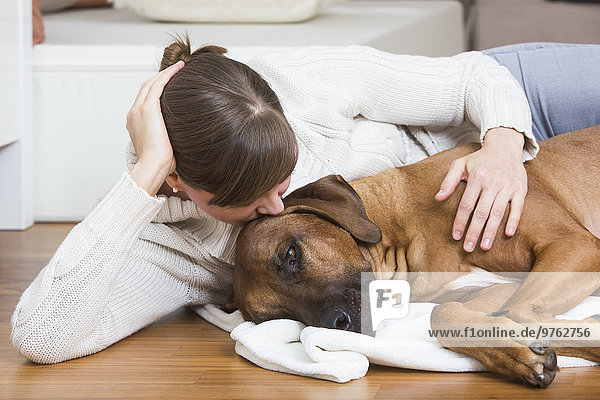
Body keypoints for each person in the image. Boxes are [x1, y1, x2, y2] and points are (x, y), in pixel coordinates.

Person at [11, 37, 600, 364]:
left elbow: (473, 79)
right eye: (245, 199)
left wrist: (500, 144)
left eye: (285, 175)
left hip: (513, 104)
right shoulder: (173, 239)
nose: (276, 204)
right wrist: (140, 179)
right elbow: (42, 336)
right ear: (179, 185)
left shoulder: (300, 83)